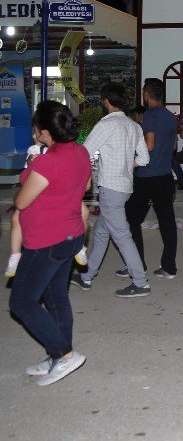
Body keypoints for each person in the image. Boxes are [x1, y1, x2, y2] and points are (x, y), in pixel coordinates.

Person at [8, 101, 91, 386]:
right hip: (70, 235)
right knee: (56, 299)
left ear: (45, 133)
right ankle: (57, 355)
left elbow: (21, 201)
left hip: (47, 240)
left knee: (21, 302)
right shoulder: (80, 152)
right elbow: (86, 186)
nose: (34, 135)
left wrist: (30, 170)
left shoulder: (47, 161)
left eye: (36, 130)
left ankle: (65, 354)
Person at [70, 82, 151, 298]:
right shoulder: (134, 126)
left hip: (110, 187)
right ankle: (86, 276)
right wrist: (125, 164)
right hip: (125, 187)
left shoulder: (106, 125)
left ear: (106, 102)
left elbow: (84, 152)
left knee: (122, 235)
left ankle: (140, 282)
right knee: (101, 231)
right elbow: (144, 159)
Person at [124, 78, 180, 280]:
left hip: (147, 177)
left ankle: (136, 264)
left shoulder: (149, 116)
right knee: (167, 222)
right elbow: (173, 146)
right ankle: (169, 267)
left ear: (146, 94)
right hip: (165, 176)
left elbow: (149, 146)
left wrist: (130, 157)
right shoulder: (170, 117)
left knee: (130, 220)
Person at [6, 144, 89, 278]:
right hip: (36, 190)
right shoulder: (35, 149)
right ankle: (15, 255)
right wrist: (32, 161)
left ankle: (79, 246)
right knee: (17, 219)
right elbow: (29, 169)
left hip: (60, 191)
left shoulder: (70, 150)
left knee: (84, 212)